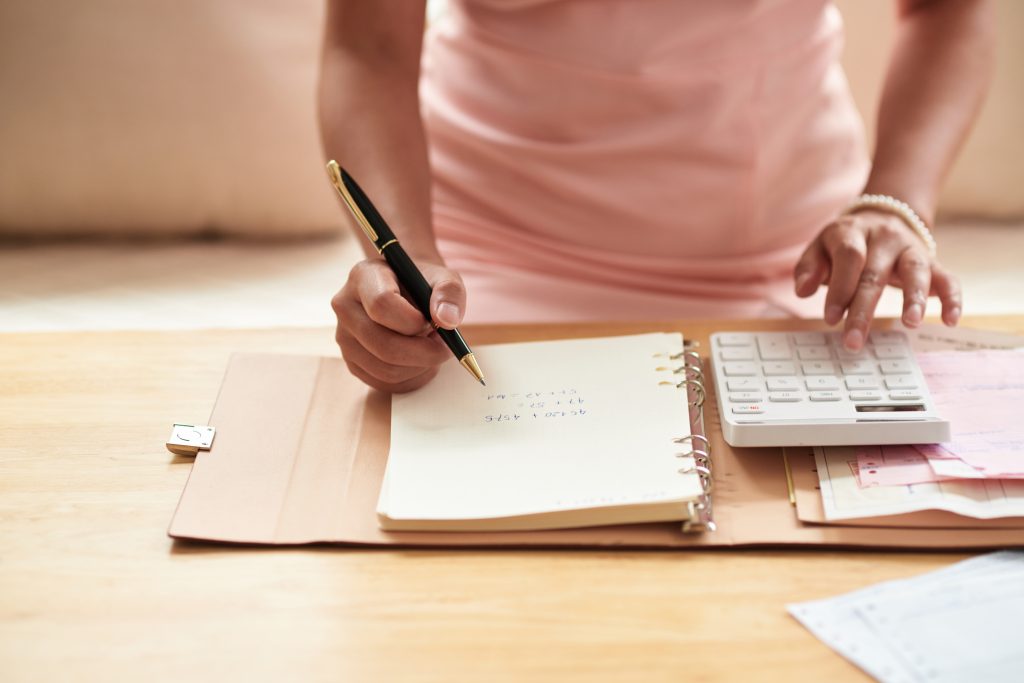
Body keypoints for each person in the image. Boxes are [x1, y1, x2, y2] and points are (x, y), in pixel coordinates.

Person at [318, 0, 994, 393]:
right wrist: (407, 264)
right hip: (483, 269)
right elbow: (369, 44)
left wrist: (894, 200)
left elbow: (949, 9)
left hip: (803, 266)